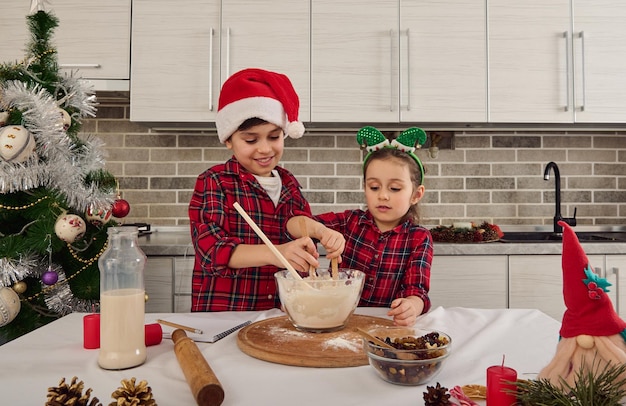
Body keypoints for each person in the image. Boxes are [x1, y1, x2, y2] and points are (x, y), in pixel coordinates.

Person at [189, 68, 344, 312]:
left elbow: (293, 222)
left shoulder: (288, 181)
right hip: (226, 314)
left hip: (279, 313)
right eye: (251, 140)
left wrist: (320, 230)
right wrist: (277, 254)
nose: (265, 149)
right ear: (228, 139)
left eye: (274, 137)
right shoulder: (214, 181)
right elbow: (211, 251)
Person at [287, 126, 433, 326]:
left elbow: (417, 291)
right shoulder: (350, 222)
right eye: (374, 187)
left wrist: (411, 306)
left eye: (395, 188)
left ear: (416, 194)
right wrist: (321, 231)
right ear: (365, 188)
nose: (382, 195)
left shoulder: (419, 238)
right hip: (338, 319)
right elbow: (294, 223)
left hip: (383, 324)